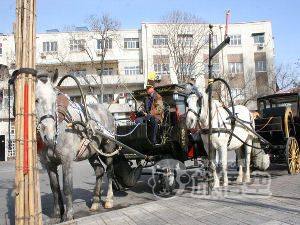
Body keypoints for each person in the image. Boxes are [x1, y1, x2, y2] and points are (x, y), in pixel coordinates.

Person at [135, 72, 164, 145]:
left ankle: (153, 140)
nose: (147, 89)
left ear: (153, 88)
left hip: (155, 117)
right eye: (146, 88)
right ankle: (141, 139)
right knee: (138, 120)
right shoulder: (146, 98)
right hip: (147, 116)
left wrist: (151, 114)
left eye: (148, 88)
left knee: (154, 120)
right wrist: (143, 111)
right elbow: (143, 107)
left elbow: (159, 109)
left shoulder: (158, 97)